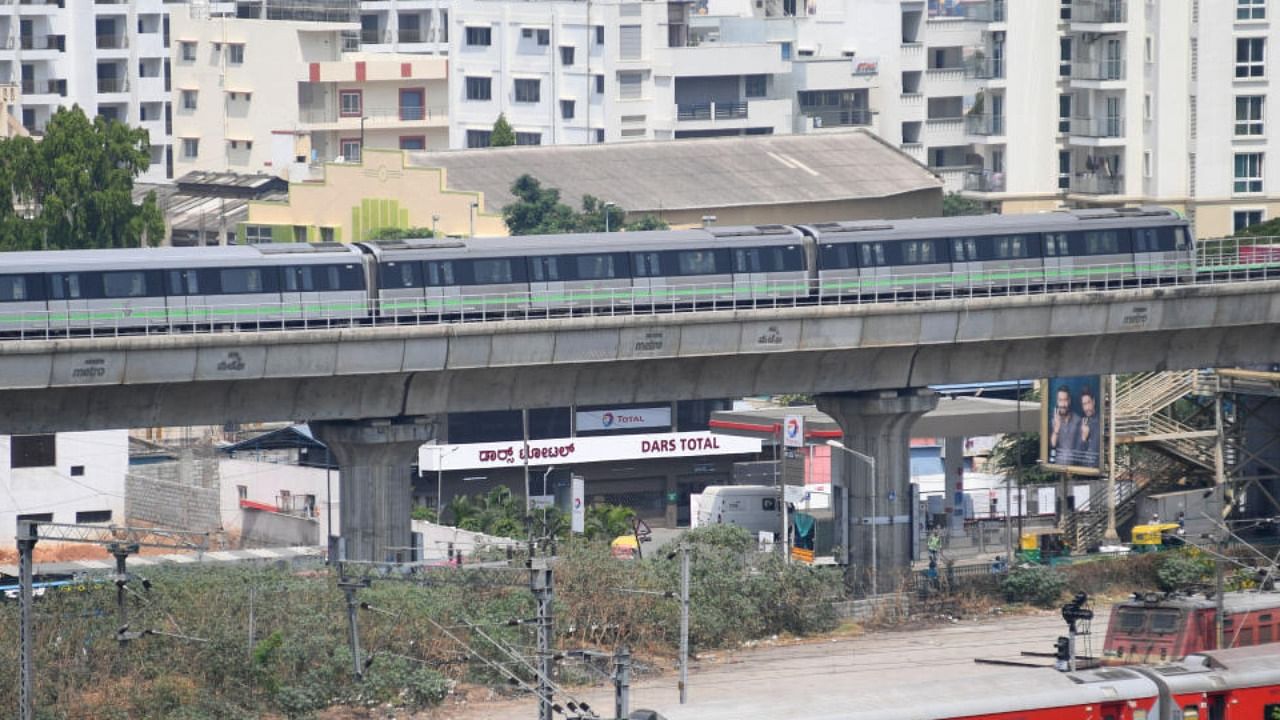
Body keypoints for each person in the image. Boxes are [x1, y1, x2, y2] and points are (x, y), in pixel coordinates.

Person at [1050, 386, 1081, 465]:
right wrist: (1056, 430)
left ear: (1069, 400)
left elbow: (1081, 446)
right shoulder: (1052, 420)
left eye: (1065, 400)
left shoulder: (1078, 420)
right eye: (1060, 400)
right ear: (1057, 401)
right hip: (1057, 467)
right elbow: (1051, 446)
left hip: (1075, 467)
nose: (1063, 404)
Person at [1078, 386, 1101, 468]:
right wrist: (1084, 437)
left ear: (1093, 401)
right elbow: (1077, 454)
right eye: (1084, 404)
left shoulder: (1101, 422)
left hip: (1098, 471)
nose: (1087, 408)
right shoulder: (1081, 423)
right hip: (1083, 471)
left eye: (1088, 403)